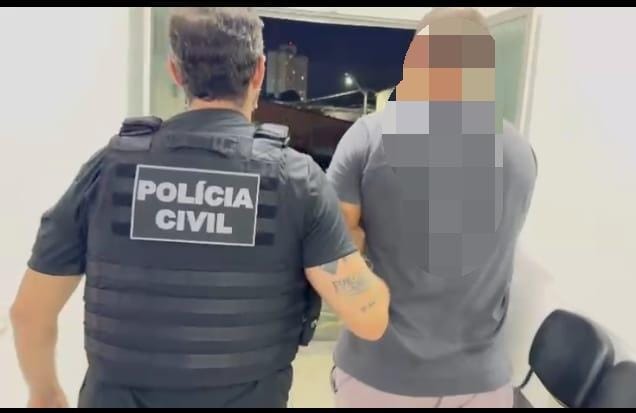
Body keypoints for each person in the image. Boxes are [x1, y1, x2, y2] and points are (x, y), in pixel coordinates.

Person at [10, 7, 389, 408]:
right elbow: (369, 317)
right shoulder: (296, 179)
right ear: (259, 71)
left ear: (176, 72)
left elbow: (29, 312)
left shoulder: (109, 168)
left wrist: (45, 393)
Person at [326, 7, 538, 408]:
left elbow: (334, 249)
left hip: (380, 378)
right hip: (481, 385)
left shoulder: (368, 138)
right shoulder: (521, 154)